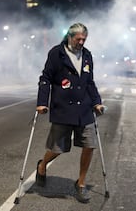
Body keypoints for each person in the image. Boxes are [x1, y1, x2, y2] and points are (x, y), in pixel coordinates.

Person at [35, 23, 104, 203]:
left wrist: (97, 102)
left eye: (84, 39)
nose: (81, 42)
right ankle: (42, 166)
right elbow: (46, 79)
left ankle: (80, 183)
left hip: (84, 109)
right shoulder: (56, 53)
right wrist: (42, 103)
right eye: (78, 39)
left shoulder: (87, 55)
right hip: (63, 108)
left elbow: (90, 82)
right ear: (69, 37)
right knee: (58, 149)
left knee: (90, 145)